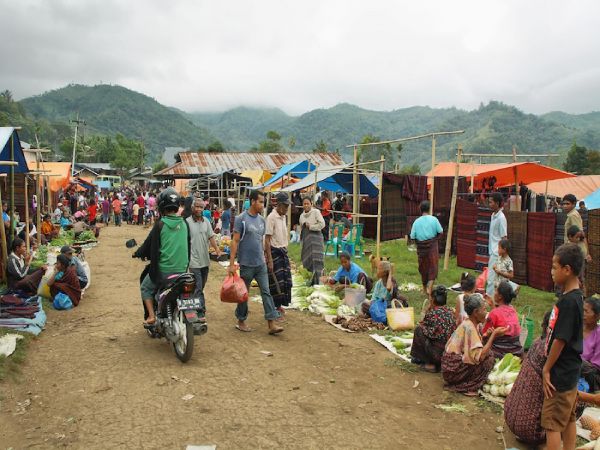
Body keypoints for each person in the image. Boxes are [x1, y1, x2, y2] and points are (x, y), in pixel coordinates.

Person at [542, 243, 584, 450]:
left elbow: (560, 340)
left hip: (559, 372)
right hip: (570, 370)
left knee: (552, 424)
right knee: (568, 418)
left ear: (567, 270)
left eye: (554, 267)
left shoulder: (568, 303)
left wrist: (547, 369)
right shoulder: (575, 298)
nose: (551, 272)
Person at [228, 190, 283, 335]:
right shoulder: (241, 219)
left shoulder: (261, 220)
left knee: (266, 291)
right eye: (260, 202)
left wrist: (268, 259)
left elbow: (263, 241)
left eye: (263, 202)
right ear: (252, 201)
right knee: (243, 294)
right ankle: (241, 320)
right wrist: (231, 263)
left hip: (260, 263)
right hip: (246, 264)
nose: (262, 205)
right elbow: (235, 240)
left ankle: (271, 323)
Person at [133, 188, 190, 325]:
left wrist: (137, 253)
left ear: (161, 206)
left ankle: (152, 316)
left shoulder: (160, 224)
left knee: (145, 288)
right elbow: (188, 245)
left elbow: (148, 245)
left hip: (164, 272)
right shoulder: (185, 223)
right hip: (183, 270)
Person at [441, 293, 507, 396]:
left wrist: (485, 337)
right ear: (476, 312)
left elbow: (475, 347)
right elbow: (480, 357)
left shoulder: (473, 324)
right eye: (484, 309)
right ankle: (468, 387)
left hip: (450, 367)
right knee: (488, 359)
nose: (486, 312)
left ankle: (465, 383)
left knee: (489, 354)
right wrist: (493, 336)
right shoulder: (469, 327)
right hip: (452, 370)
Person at [504, 311, 551, 446]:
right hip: (530, 430)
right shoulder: (551, 351)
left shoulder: (537, 341)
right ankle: (545, 441)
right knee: (574, 402)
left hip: (510, 416)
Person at [186, 198, 221, 325]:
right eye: (197, 207)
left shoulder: (206, 221)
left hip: (205, 261)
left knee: (199, 287)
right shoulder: (187, 223)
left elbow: (211, 236)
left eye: (201, 207)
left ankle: (192, 305)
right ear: (192, 208)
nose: (199, 209)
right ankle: (200, 312)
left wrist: (217, 249)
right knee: (199, 287)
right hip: (193, 261)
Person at [411, 285, 456, 373]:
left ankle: (430, 364)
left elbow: (423, 327)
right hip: (448, 354)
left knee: (418, 330)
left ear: (432, 299)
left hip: (437, 355)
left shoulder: (433, 313)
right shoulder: (450, 312)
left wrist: (427, 311)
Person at [265, 192, 293, 321]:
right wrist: (269, 259)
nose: (287, 209)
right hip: (274, 252)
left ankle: (280, 305)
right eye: (285, 206)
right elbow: (267, 239)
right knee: (275, 282)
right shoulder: (271, 217)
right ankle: (275, 308)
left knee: (285, 281)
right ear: (279, 205)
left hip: (283, 251)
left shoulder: (283, 217)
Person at [410, 200, 443, 298]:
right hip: (432, 247)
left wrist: (419, 242)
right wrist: (434, 240)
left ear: (420, 209)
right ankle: (430, 287)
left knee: (423, 267)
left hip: (421, 248)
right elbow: (440, 232)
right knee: (433, 267)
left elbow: (412, 236)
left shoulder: (416, 222)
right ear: (429, 208)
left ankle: (425, 288)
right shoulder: (434, 219)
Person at [482, 281, 523, 358]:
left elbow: (484, 334)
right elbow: (501, 317)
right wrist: (493, 306)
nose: (494, 292)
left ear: (500, 296)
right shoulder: (512, 309)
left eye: (496, 290)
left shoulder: (494, 313)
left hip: (500, 354)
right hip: (516, 352)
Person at [299, 196, 325, 285]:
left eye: (308, 203)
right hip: (307, 241)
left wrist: (311, 226)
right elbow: (301, 229)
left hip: (316, 239)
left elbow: (322, 224)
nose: (306, 205)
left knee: (317, 261)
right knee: (307, 260)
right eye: (304, 204)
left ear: (311, 204)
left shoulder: (316, 212)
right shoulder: (301, 216)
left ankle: (318, 283)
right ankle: (310, 281)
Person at [486, 192, 507, 296]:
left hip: (497, 252)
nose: (489, 204)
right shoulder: (493, 215)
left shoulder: (501, 218)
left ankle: (489, 298)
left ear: (497, 203)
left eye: (491, 202)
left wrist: (502, 254)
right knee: (494, 277)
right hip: (492, 251)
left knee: (491, 278)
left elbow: (504, 238)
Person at [581, 297, 600, 392]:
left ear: (597, 316)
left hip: (586, 376)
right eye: (582, 310)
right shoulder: (576, 326)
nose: (583, 314)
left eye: (586, 311)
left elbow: (594, 368)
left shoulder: (598, 334)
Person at [567, 224, 592, 293]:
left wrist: (587, 255)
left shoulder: (579, 242)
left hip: (580, 266)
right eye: (576, 237)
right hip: (574, 270)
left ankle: (582, 296)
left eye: (579, 237)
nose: (578, 239)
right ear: (570, 237)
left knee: (582, 281)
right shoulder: (569, 248)